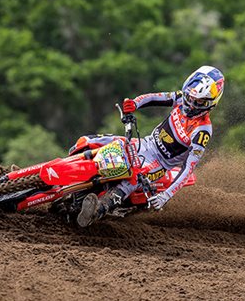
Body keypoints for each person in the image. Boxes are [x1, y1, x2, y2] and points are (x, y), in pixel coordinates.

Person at [76, 66, 224, 227]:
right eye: (190, 97)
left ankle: (97, 210)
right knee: (90, 141)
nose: (191, 104)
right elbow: (153, 98)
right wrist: (134, 104)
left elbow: (189, 167)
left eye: (199, 102)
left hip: (159, 164)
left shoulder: (202, 131)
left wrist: (166, 196)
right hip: (144, 144)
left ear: (211, 103)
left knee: (132, 178)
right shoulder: (181, 98)